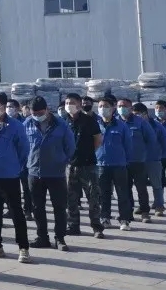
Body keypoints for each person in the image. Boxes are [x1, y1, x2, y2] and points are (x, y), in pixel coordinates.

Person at [0, 92, 33, 262]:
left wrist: (15, 167)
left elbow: (24, 150)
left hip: (9, 176)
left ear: (2, 106)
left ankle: (23, 247)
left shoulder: (15, 126)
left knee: (16, 212)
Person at [25, 96, 75, 251]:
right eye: (34, 113)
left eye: (40, 113)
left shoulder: (60, 125)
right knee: (37, 207)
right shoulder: (27, 124)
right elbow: (21, 146)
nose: (37, 116)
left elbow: (70, 147)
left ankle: (60, 238)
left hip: (56, 173)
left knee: (59, 207)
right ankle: (42, 237)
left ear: (46, 110)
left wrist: (62, 161)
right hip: (34, 172)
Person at [62, 92, 104, 238]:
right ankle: (73, 225)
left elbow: (97, 140)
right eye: (67, 103)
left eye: (72, 103)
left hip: (88, 165)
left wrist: (87, 152)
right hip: (70, 165)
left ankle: (96, 226)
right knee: (71, 198)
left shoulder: (89, 121)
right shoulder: (63, 121)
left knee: (93, 197)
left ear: (79, 105)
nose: (69, 106)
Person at [96, 94, 134, 231]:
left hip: (119, 165)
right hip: (100, 165)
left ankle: (124, 220)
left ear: (113, 108)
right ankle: (105, 217)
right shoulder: (95, 125)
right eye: (100, 106)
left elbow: (128, 145)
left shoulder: (121, 126)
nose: (103, 109)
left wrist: (125, 161)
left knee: (122, 194)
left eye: (106, 106)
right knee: (103, 194)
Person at [118, 97, 154, 223]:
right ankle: (128, 213)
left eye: (124, 106)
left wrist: (144, 154)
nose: (122, 108)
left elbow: (151, 139)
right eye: (119, 106)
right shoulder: (115, 122)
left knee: (141, 188)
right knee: (125, 189)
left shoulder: (140, 122)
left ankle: (145, 212)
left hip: (138, 161)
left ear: (131, 108)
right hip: (121, 162)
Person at [136, 103, 166, 216]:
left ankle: (159, 206)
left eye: (138, 114)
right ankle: (143, 206)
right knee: (140, 186)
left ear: (145, 113)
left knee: (156, 185)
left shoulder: (157, 126)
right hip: (138, 160)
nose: (136, 116)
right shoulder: (134, 124)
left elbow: (165, 142)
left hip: (153, 159)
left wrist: (159, 155)